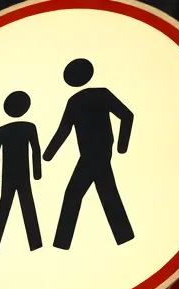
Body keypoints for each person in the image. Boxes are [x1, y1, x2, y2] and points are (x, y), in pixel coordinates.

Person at [43, 58, 135, 250]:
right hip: (99, 152)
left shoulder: (78, 100)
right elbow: (127, 116)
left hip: (92, 154)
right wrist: (120, 146)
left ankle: (62, 243)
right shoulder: (96, 96)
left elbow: (64, 131)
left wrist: (49, 154)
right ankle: (124, 237)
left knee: (73, 194)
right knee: (106, 192)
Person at [0, 90, 43, 253]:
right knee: (27, 206)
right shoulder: (29, 127)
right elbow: (36, 150)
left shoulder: (2, 130)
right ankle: (36, 244)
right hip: (23, 175)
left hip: (8, 176)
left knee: (5, 206)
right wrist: (37, 174)